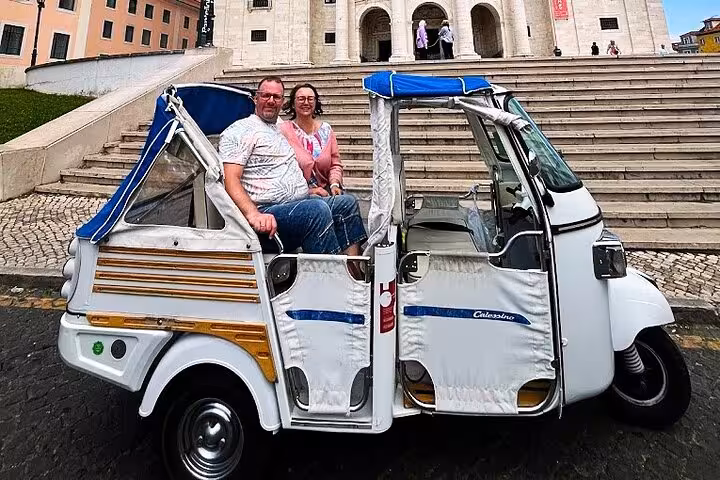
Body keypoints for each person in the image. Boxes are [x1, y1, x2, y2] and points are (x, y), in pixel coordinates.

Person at [219, 76, 367, 256]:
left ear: (282, 102)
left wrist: (308, 191)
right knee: (316, 211)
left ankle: (354, 270)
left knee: (346, 203)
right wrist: (253, 214)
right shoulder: (240, 130)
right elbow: (230, 179)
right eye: (266, 96)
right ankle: (330, 277)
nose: (271, 101)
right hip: (266, 211)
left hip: (295, 203)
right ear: (255, 98)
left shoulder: (278, 128)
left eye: (276, 97)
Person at [279, 83, 344, 197]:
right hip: (297, 195)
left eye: (310, 99)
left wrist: (334, 184)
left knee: (349, 201)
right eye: (301, 99)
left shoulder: (326, 130)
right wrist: (309, 191)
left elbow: (335, 164)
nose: (306, 102)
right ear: (293, 104)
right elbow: (280, 170)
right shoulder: (283, 130)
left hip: (326, 191)